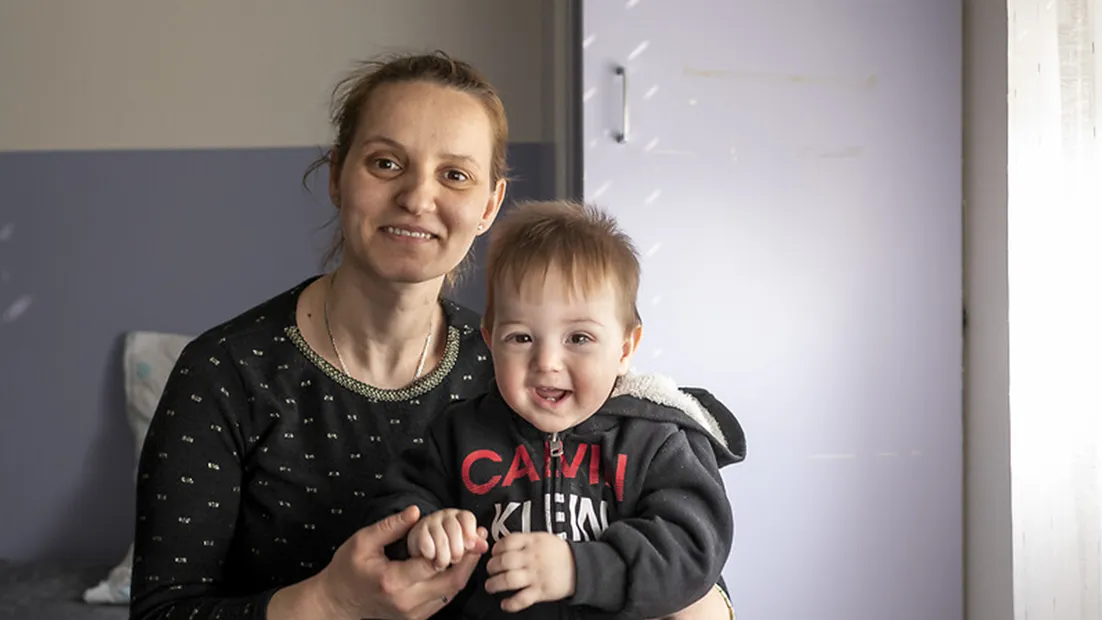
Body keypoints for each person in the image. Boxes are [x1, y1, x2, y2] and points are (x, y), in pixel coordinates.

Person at [129, 51, 740, 620]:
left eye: (454, 174)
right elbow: (162, 612)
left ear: (489, 205)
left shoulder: (525, 366)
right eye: (386, 163)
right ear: (338, 175)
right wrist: (329, 602)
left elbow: (680, 556)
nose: (418, 197)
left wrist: (701, 604)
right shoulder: (226, 373)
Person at [367, 200, 745, 620]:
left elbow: (691, 549)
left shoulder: (657, 441)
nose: (546, 362)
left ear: (625, 349)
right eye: (521, 338)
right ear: (490, 342)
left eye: (579, 338)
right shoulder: (457, 434)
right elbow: (396, 505)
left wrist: (578, 569)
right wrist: (426, 529)